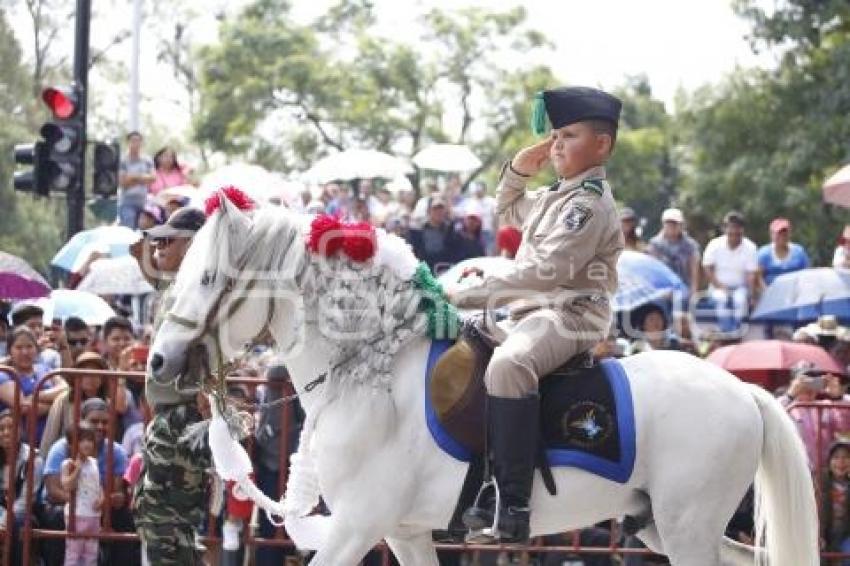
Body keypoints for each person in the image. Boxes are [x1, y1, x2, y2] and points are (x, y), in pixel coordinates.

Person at [448, 86, 624, 542]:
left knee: (510, 365)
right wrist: (519, 168)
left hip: (569, 314)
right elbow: (506, 208)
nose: (557, 145)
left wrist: (466, 294)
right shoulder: (557, 196)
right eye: (554, 136)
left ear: (601, 145)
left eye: (568, 135)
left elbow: (545, 274)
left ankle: (511, 504)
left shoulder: (586, 205)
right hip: (529, 314)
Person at [130, 206, 211, 564]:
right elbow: (147, 258)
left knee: (165, 524)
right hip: (170, 414)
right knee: (161, 524)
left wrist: (208, 386)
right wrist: (148, 250)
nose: (159, 245)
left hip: (184, 415)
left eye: (169, 239)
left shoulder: (202, 291)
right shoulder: (178, 285)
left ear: (193, 245)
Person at [42, 398, 134, 566]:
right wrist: (78, 503)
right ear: (82, 422)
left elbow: (116, 490)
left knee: (126, 518)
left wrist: (110, 499)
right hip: (68, 508)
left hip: (99, 508)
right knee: (55, 518)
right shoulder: (61, 448)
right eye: (94, 421)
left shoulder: (117, 451)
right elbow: (53, 490)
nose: (100, 426)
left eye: (105, 422)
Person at [41, 351, 129, 455]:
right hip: (67, 456)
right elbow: (51, 434)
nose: (90, 378)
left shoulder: (107, 403)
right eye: (85, 373)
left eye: (95, 373)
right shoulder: (64, 400)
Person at [0, 327, 68, 445]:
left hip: (49, 440)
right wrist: (56, 403)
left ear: (36, 349)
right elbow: (24, 407)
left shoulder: (45, 368)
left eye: (29, 346)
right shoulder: (5, 374)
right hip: (17, 445)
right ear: (9, 350)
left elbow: (66, 388)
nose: (25, 352)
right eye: (19, 347)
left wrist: (37, 395)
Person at [702, 211, 758, 335]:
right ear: (725, 228)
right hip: (718, 287)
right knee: (721, 300)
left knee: (740, 301)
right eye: (730, 227)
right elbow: (707, 268)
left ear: (742, 230)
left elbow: (751, 275)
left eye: (737, 227)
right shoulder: (714, 244)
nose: (734, 231)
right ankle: (727, 333)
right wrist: (720, 286)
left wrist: (752, 295)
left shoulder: (750, 247)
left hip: (740, 287)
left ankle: (737, 333)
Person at [0, 408, 43, 563]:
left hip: (23, 513)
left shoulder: (33, 459)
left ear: (21, 430)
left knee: (17, 521)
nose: (5, 432)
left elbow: (25, 501)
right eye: (1, 428)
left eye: (11, 427)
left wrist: (4, 520)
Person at [60, 423, 103, 566]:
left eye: (90, 440)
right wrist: (77, 470)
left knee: (91, 554)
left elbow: (98, 484)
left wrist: (102, 498)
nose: (87, 444)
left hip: (94, 515)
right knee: (74, 553)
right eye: (81, 440)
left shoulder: (94, 463)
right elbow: (67, 485)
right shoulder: (68, 464)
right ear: (71, 443)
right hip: (76, 515)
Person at [646, 208, 701, 299]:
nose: (672, 226)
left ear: (681, 225)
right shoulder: (654, 244)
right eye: (669, 223)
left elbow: (694, 271)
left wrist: (693, 291)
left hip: (683, 287)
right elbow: (651, 271)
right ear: (663, 224)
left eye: (675, 223)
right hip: (660, 288)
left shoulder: (691, 245)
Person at [406, 195, 463, 274]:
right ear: (428, 211)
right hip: (426, 272)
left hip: (446, 271)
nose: (439, 212)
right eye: (435, 209)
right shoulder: (418, 231)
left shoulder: (451, 231)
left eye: (441, 209)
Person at [10, 303, 72, 370]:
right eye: (31, 326)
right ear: (17, 328)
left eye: (40, 325)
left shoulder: (51, 355)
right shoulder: (6, 352)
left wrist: (63, 344)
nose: (37, 331)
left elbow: (66, 376)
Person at [820, 439, 850, 564]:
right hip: (826, 532)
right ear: (829, 463)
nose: (841, 462)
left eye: (845, 458)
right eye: (836, 457)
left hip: (846, 534)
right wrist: (819, 535)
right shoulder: (821, 484)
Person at [118, 131, 155, 230]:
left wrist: (133, 177)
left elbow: (152, 178)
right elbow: (123, 182)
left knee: (143, 234)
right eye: (133, 141)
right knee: (128, 233)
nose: (136, 144)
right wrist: (143, 178)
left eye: (138, 141)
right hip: (127, 203)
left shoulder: (147, 160)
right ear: (128, 142)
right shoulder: (123, 161)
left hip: (144, 203)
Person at [757, 217, 809, 287]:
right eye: (779, 233)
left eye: (785, 233)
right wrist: (767, 292)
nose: (782, 236)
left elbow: (806, 274)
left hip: (795, 291)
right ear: (771, 234)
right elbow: (758, 278)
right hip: (771, 292)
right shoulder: (763, 254)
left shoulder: (799, 251)